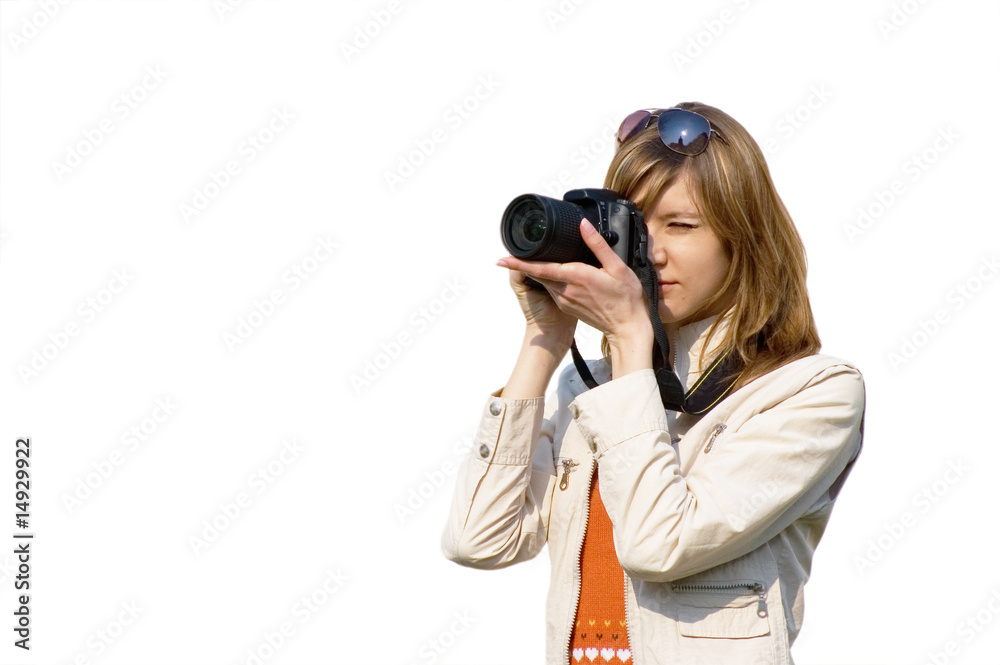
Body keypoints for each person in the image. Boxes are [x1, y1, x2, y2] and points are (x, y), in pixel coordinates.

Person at [441, 102, 865, 665]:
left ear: (745, 239)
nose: (653, 252)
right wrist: (544, 339)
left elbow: (658, 545)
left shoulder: (811, 392)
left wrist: (628, 339)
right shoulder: (593, 388)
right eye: (637, 227)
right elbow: (479, 539)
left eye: (681, 226)